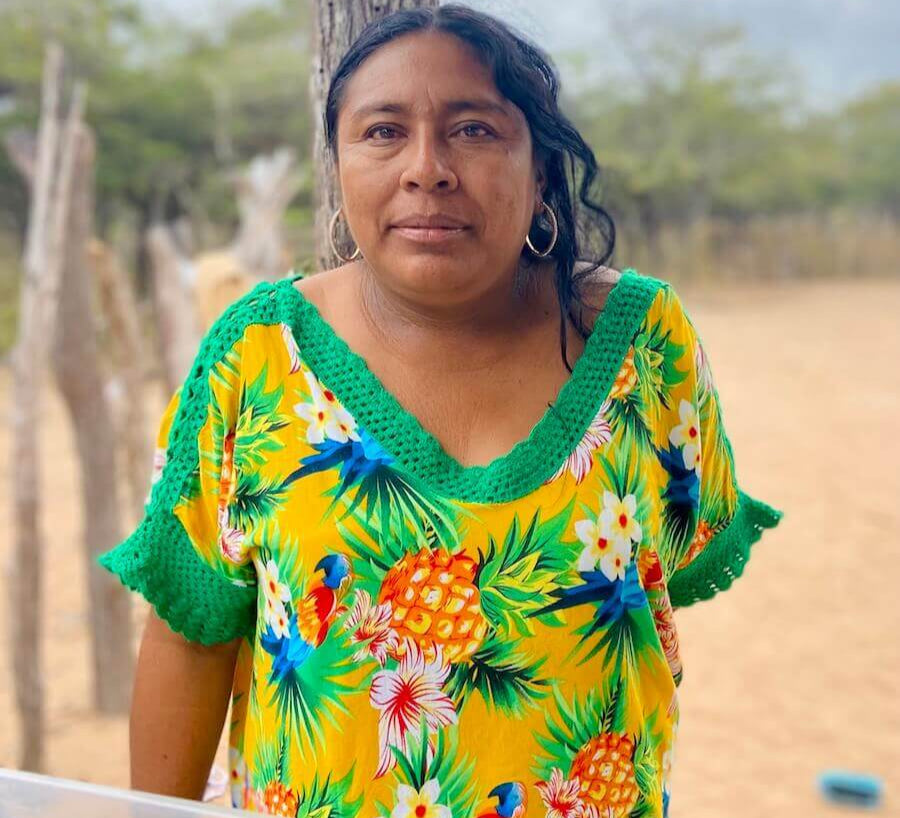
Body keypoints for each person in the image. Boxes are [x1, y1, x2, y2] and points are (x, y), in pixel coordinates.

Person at [99, 6, 783, 817]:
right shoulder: (256, 358)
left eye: (474, 130)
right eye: (383, 131)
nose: (427, 168)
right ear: (341, 166)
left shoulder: (643, 345)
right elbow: (191, 631)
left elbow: (667, 577)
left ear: (540, 172)